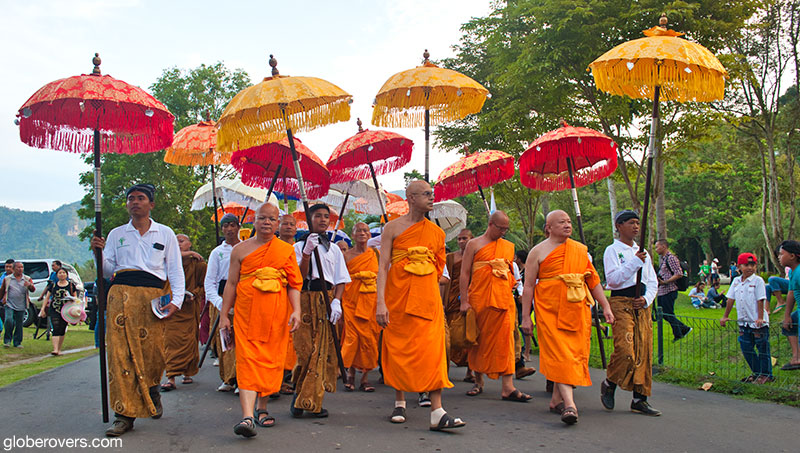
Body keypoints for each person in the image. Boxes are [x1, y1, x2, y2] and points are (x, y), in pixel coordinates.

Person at [90, 183, 185, 437]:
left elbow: (175, 269)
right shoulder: (115, 234)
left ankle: (153, 386)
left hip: (153, 299)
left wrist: (176, 300)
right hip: (120, 296)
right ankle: (124, 414)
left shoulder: (164, 233)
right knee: (120, 355)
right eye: (130, 198)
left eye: (140, 198)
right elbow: (108, 271)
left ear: (151, 204)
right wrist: (98, 253)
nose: (135, 202)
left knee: (153, 353)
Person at [376, 180, 465, 431]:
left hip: (428, 300)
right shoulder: (392, 228)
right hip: (398, 297)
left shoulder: (437, 233)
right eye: (426, 194)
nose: (431, 197)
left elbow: (438, 271)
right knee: (398, 348)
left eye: (432, 193)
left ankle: (437, 410)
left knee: (433, 351)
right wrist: (380, 302)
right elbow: (383, 266)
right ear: (410, 197)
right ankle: (400, 401)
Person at [521, 210, 614, 425]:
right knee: (561, 355)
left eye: (569, 221)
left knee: (572, 355)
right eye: (561, 222)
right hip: (549, 311)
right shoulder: (537, 252)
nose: (567, 225)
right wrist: (526, 316)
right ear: (549, 227)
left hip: (577, 310)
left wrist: (606, 306)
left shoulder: (580, 251)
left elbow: (594, 281)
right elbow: (527, 287)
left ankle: (556, 400)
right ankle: (570, 405)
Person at [219, 203, 302, 437]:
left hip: (277, 314)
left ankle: (262, 408)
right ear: (253, 221)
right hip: (246, 313)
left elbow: (295, 284)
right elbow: (232, 284)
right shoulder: (240, 250)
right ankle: (247, 417)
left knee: (270, 360)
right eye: (262, 218)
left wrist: (296, 310)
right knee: (247, 360)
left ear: (277, 224)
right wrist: (224, 314)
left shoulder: (285, 250)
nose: (266, 222)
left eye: (271, 219)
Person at [460, 211, 532, 402]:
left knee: (506, 341)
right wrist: (464, 301)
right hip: (479, 298)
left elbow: (510, 272)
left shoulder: (508, 247)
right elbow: (465, 274)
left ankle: (508, 387)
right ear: (491, 224)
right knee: (478, 340)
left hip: (503, 300)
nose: (503, 232)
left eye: (506, 229)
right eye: (501, 228)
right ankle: (478, 381)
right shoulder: (474, 244)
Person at [291, 203, 350, 418]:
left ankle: (310, 402)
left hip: (326, 299)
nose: (323, 220)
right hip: (305, 299)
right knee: (306, 351)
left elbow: (341, 279)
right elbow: (297, 277)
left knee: (321, 350)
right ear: (309, 219)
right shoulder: (298, 247)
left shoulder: (334, 248)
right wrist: (307, 253)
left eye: (326, 216)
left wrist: (337, 301)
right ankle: (300, 394)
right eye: (318, 216)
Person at [601, 210, 661, 416]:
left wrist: (646, 299)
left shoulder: (643, 252)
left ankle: (639, 398)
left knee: (643, 350)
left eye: (637, 223)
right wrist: (635, 262)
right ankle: (610, 382)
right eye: (630, 223)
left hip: (640, 304)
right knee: (626, 350)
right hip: (621, 303)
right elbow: (614, 280)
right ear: (619, 226)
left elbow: (652, 280)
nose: (635, 227)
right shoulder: (612, 250)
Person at [161, 234, 207, 391]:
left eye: (181, 241)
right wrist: (190, 253)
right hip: (172, 306)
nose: (178, 244)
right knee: (171, 341)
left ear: (190, 243)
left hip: (189, 307)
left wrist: (194, 293)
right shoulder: (168, 262)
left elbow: (204, 285)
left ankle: (187, 372)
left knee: (189, 340)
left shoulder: (199, 264)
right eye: (175, 241)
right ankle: (171, 377)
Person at [341, 222, 381, 392]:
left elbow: (381, 278)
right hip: (351, 301)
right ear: (353, 234)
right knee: (352, 338)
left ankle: (365, 377)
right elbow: (341, 280)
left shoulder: (376, 254)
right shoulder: (347, 256)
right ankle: (350, 373)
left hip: (371, 301)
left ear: (369, 235)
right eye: (358, 230)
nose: (362, 233)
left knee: (369, 339)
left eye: (365, 230)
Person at [719, 253, 772, 384]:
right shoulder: (736, 281)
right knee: (746, 347)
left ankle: (766, 374)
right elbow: (730, 299)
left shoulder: (758, 281)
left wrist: (760, 317)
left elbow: (761, 300)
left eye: (752, 265)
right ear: (739, 266)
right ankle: (757, 372)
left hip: (757, 322)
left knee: (762, 348)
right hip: (744, 321)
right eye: (746, 265)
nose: (750, 268)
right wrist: (725, 316)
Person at [204, 213, 241, 393]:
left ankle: (242, 379)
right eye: (225, 226)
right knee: (226, 341)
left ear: (238, 227)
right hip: (222, 298)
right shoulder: (217, 253)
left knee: (242, 340)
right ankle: (228, 378)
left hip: (242, 299)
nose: (229, 229)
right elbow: (209, 281)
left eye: (232, 225)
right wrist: (220, 303)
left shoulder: (246, 248)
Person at [443, 228, 473, 380]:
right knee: (448, 338)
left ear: (471, 239)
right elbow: (445, 279)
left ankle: (470, 371)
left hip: (469, 300)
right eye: (459, 239)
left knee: (469, 335)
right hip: (451, 300)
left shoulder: (476, 257)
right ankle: (444, 371)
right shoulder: (450, 258)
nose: (461, 241)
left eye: (464, 238)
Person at [654, 239, 692, 341]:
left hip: (670, 289)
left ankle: (680, 332)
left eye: (657, 247)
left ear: (663, 246)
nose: (656, 249)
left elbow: (678, 273)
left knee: (668, 313)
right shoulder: (663, 259)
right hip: (662, 290)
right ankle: (682, 330)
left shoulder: (671, 258)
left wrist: (666, 282)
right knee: (664, 314)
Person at [277, 214, 298, 394]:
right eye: (285, 224)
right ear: (278, 226)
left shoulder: (299, 248)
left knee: (292, 336)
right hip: (275, 294)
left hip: (295, 296)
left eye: (292, 224)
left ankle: (290, 376)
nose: (288, 227)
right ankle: (278, 378)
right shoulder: (271, 247)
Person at [37, 268, 77, 355]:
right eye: (60, 273)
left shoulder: (71, 285)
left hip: (66, 310)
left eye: (63, 273)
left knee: (62, 328)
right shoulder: (53, 285)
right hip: (55, 309)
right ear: (57, 275)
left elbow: (75, 297)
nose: (62, 274)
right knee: (55, 327)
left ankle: (59, 348)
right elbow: (47, 297)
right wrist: (43, 309)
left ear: (66, 274)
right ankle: (55, 349)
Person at [0, 261, 35, 348]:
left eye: (22, 267)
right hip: (9, 304)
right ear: (14, 269)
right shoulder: (7, 279)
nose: (20, 269)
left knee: (19, 324)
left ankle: (17, 342)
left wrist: (29, 285)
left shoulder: (27, 278)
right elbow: (2, 290)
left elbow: (33, 289)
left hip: (21, 305)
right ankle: (7, 340)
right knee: (9, 320)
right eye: (18, 267)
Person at [778, 240, 800, 371]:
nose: (779, 257)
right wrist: (787, 316)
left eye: (781, 254)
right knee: (789, 327)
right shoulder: (792, 272)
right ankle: (796, 357)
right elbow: (791, 292)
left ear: (792, 256)